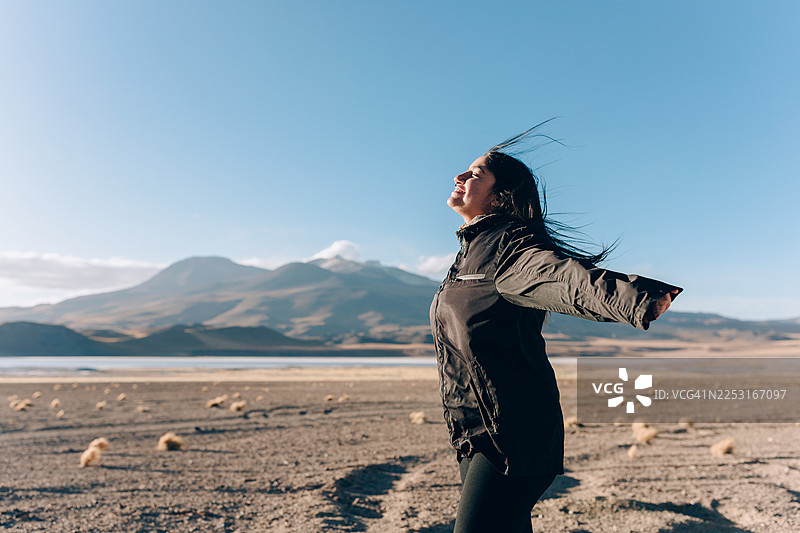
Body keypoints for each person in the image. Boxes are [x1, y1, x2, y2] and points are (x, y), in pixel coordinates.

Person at [429, 126, 682, 533]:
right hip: (475, 432)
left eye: (475, 173)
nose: (460, 177)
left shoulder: (510, 247)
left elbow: (564, 278)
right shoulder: (468, 257)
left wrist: (636, 298)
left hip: (513, 434)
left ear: (500, 194)